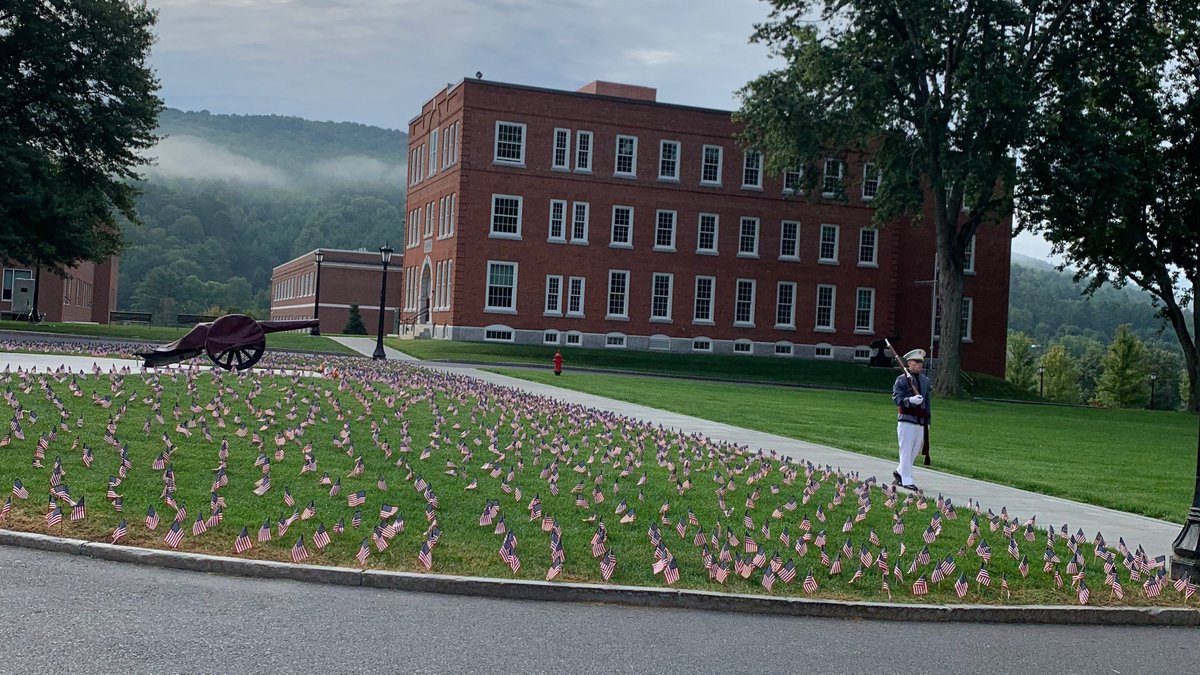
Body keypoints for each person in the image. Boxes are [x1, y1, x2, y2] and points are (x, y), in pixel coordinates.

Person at [891, 348, 930, 490]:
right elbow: (896, 399)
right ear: (909, 363)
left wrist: (928, 422)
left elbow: (927, 403)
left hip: (920, 421)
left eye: (921, 362)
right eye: (917, 362)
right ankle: (907, 480)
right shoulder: (902, 380)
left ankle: (900, 472)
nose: (920, 365)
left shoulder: (925, 381)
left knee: (915, 450)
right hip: (906, 419)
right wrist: (910, 400)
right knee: (906, 450)